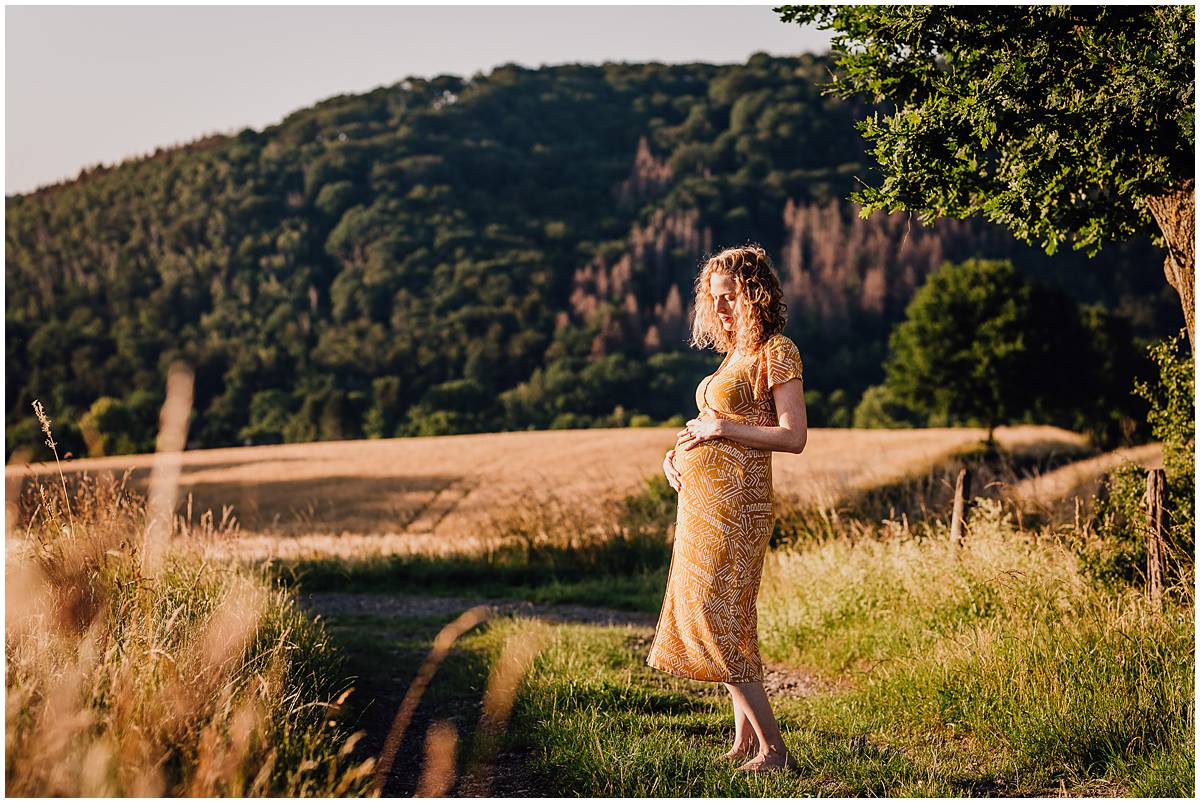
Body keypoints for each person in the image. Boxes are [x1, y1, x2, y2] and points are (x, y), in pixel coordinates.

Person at [645, 244, 807, 773]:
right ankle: (744, 744)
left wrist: (721, 429)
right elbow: (709, 423)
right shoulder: (732, 356)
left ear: (754, 294)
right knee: (728, 616)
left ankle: (775, 751)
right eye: (714, 299)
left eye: (730, 297)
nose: (720, 308)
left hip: (739, 505)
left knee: (716, 615)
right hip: (701, 502)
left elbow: (793, 436)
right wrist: (677, 454)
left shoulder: (775, 351)